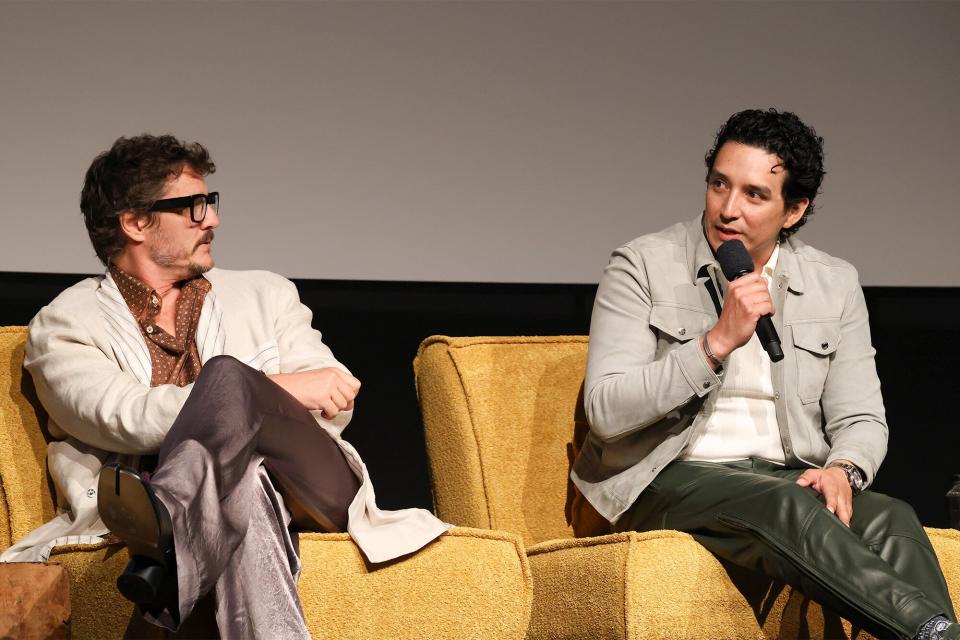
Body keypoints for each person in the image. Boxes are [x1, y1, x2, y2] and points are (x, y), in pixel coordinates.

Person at [0, 134, 449, 636]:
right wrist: (266, 390)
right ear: (134, 223)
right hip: (240, 492)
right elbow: (122, 418)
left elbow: (333, 400)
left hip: (310, 484)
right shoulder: (65, 324)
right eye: (193, 207)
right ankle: (185, 533)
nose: (211, 219)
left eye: (210, 204)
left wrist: (249, 392)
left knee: (229, 381)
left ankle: (170, 510)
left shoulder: (265, 293)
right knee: (241, 482)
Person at [572, 109, 958, 640]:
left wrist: (842, 470)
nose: (728, 209)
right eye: (718, 185)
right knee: (781, 502)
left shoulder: (834, 283)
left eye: (754, 195)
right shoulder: (642, 265)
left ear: (793, 210)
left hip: (782, 474)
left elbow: (862, 417)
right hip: (664, 477)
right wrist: (715, 344)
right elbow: (607, 412)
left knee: (891, 516)